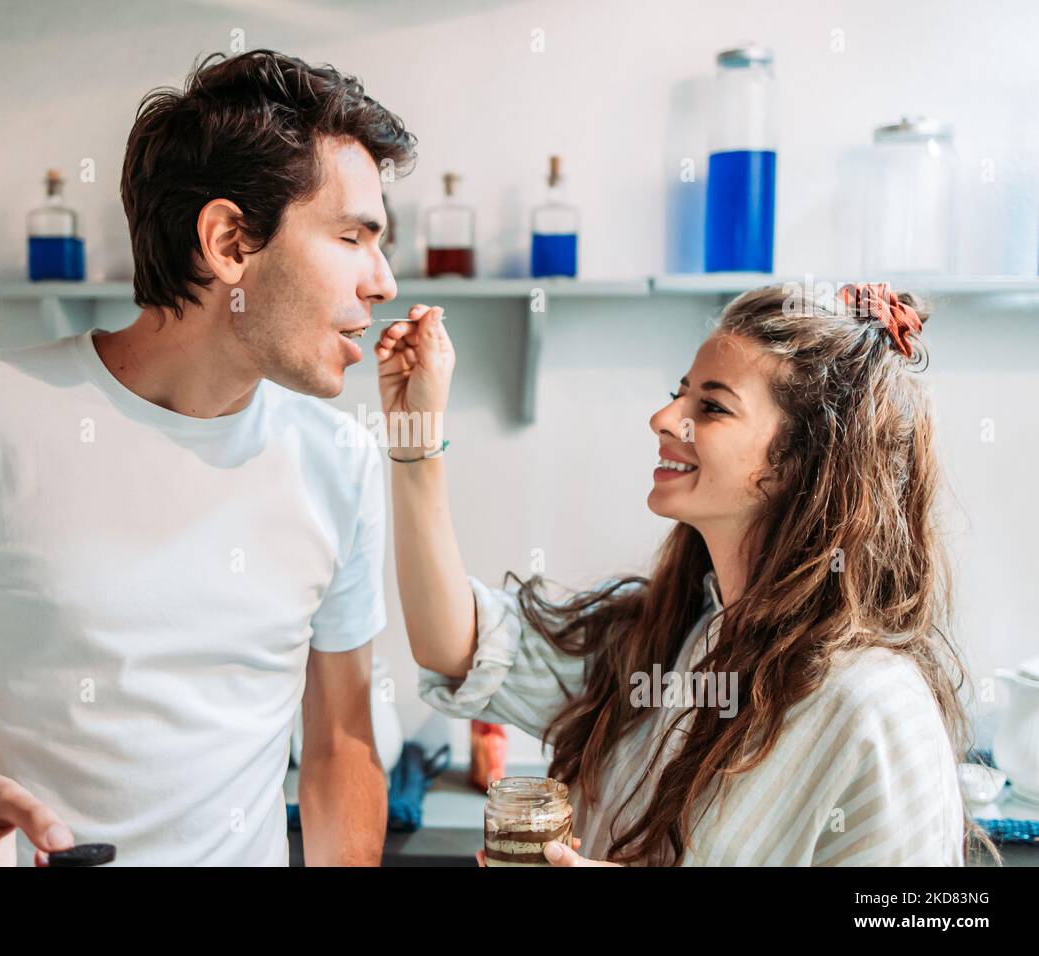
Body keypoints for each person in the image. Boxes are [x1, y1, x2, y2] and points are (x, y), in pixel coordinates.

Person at [0, 49, 416, 866]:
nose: (384, 281)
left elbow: (339, 743)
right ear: (229, 241)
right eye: (352, 237)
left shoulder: (341, 459)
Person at [376, 282, 1000, 866]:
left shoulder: (875, 707)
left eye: (712, 406)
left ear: (800, 462)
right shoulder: (674, 640)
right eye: (681, 391)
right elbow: (455, 645)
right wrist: (413, 434)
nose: (664, 418)